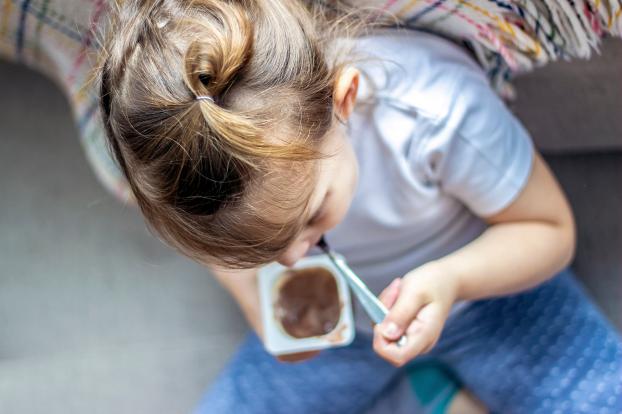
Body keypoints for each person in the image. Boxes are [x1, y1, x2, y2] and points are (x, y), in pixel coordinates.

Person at [95, 0, 621, 413]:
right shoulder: (199, 175)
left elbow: (550, 228)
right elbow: (220, 249)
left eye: (310, 218)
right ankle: (425, 396)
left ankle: (423, 394)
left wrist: (453, 280)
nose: (294, 258)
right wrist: (254, 300)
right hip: (341, 329)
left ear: (344, 102)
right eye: (260, 245)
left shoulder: (434, 113)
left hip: (493, 296)